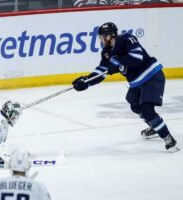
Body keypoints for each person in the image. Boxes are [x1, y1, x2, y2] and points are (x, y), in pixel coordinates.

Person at [72, 22, 179, 152]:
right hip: (137, 82)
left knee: (147, 110)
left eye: (101, 37)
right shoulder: (107, 52)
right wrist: (86, 81)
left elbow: (137, 57)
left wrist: (118, 63)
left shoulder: (125, 39)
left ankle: (169, 140)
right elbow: (100, 72)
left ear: (109, 36)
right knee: (135, 105)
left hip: (151, 75)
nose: (100, 40)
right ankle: (154, 126)